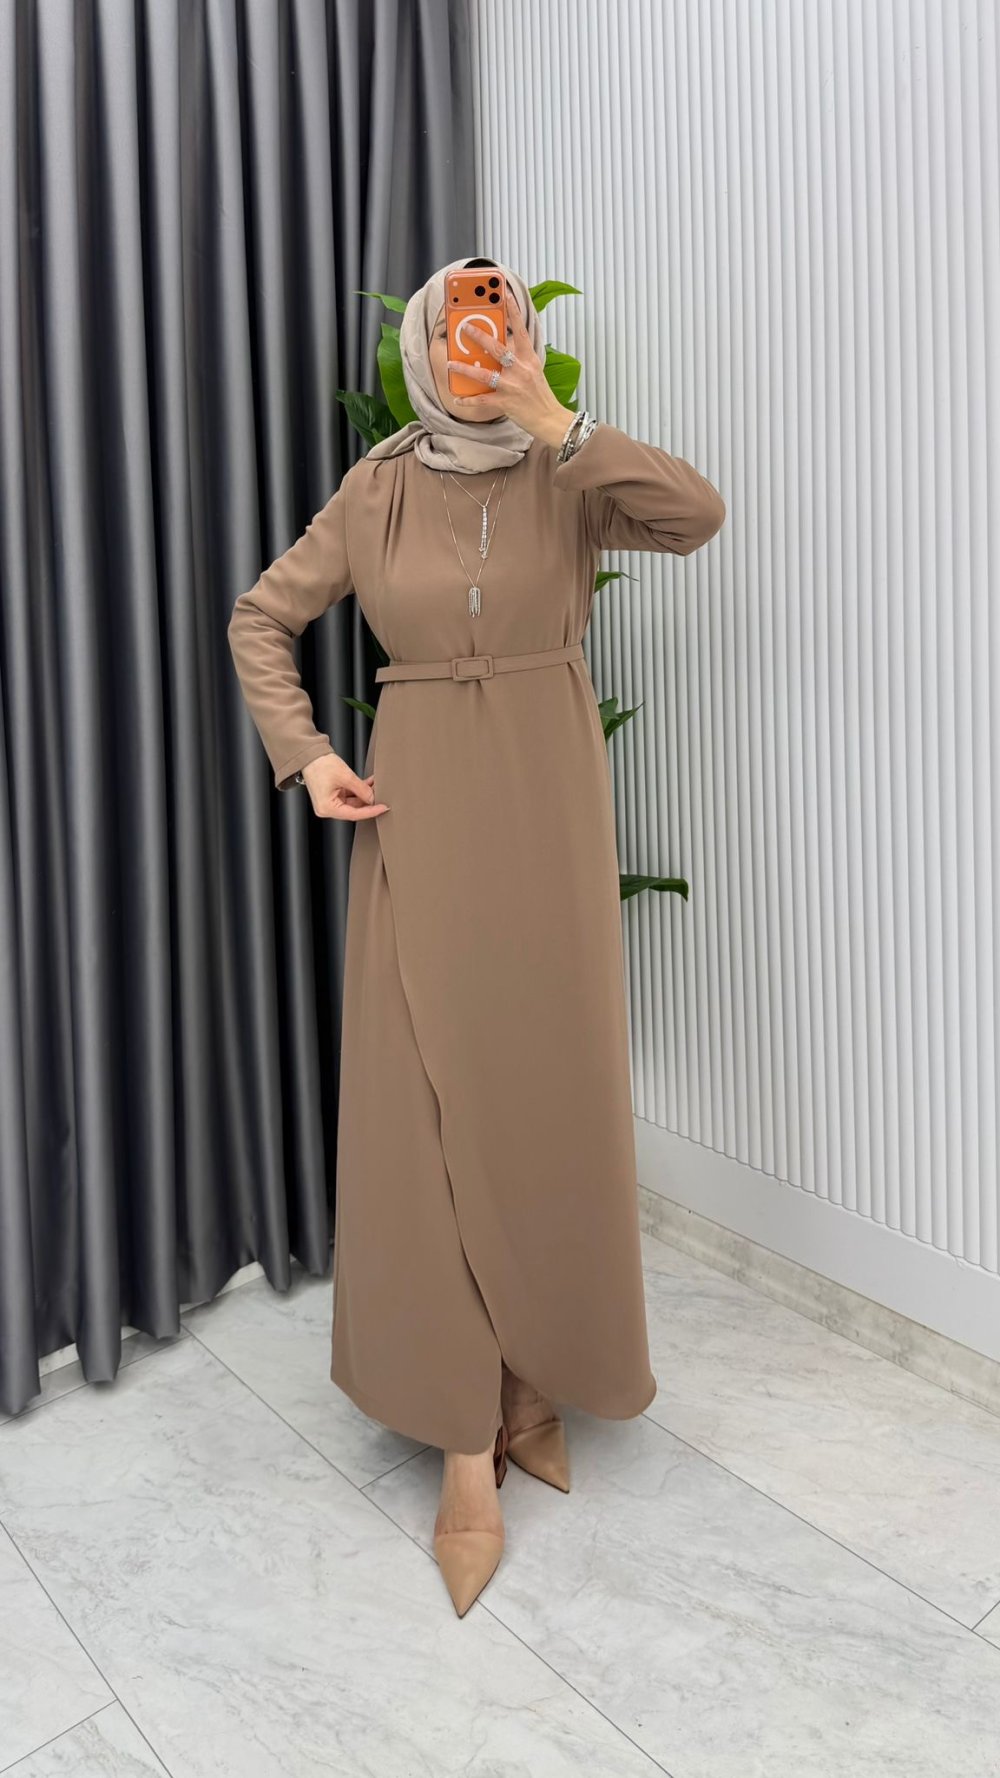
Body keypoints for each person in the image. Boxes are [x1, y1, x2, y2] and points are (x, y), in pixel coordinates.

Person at [227, 255, 726, 1617]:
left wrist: (562, 425)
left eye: (502, 314)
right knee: (427, 1106)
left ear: (523, 340)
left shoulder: (572, 473)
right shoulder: (378, 487)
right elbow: (263, 616)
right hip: (423, 807)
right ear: (423, 345)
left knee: (541, 1092)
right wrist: (307, 756)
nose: (481, 331)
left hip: (550, 813)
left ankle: (530, 1377)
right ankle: (462, 1435)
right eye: (462, 312)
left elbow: (696, 517)